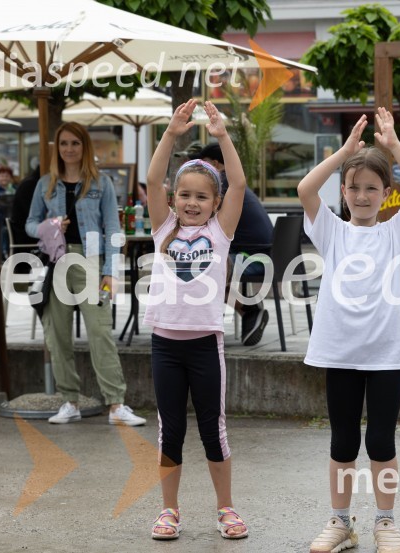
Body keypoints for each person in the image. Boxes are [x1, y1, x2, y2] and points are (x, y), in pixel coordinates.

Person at [298, 108, 400, 553]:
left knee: (380, 440)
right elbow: (304, 189)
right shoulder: (331, 231)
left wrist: (392, 145)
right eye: (353, 188)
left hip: (387, 354)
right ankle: (340, 522)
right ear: (344, 191)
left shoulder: (396, 233)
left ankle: (386, 523)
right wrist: (344, 154)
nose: (361, 195)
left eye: (371, 188)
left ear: (385, 193)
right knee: (343, 440)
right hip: (339, 352)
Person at [143, 99, 249, 541]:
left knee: (213, 428)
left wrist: (222, 134)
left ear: (215, 203)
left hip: (206, 344)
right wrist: (171, 134)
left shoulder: (220, 233)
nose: (191, 202)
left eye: (201, 196)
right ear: (173, 199)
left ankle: (226, 509)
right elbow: (151, 178)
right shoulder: (163, 228)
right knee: (170, 428)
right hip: (165, 345)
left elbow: (240, 183)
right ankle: (169, 511)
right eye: (184, 195)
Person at [25, 122, 145, 427]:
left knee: (100, 332)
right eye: (63, 143)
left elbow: (113, 229)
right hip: (57, 262)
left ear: (84, 147)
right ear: (58, 147)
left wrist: (111, 271)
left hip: (91, 262)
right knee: (58, 335)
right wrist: (50, 225)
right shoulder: (45, 185)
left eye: (75, 143)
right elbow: (29, 224)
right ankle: (70, 401)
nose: (69, 149)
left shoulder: (101, 184)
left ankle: (116, 404)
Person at [191, 142, 274, 346]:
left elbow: (203, 221)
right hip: (264, 255)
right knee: (203, 264)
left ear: (216, 164)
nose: (202, 170)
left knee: (202, 267)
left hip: (254, 259)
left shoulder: (221, 184)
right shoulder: (227, 183)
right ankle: (248, 310)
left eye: (205, 165)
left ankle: (248, 310)